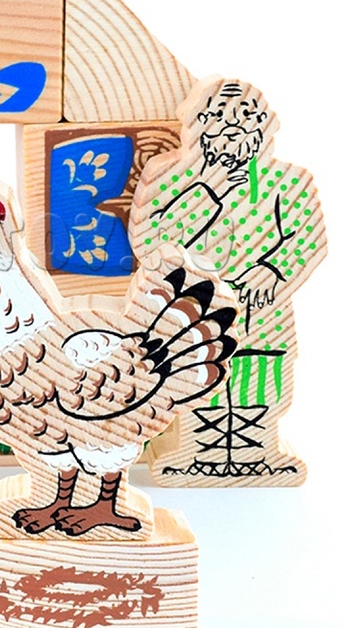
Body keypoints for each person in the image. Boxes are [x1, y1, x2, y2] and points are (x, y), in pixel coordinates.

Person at [129, 77, 325, 483]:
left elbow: (308, 238)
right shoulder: (168, 179)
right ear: (196, 124)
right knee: (197, 374)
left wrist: (272, 270)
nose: (232, 125)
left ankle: (257, 452)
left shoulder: (290, 182)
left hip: (264, 310)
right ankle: (199, 452)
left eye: (246, 116)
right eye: (218, 116)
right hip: (193, 310)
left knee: (262, 374)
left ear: (266, 125)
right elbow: (149, 241)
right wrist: (204, 190)